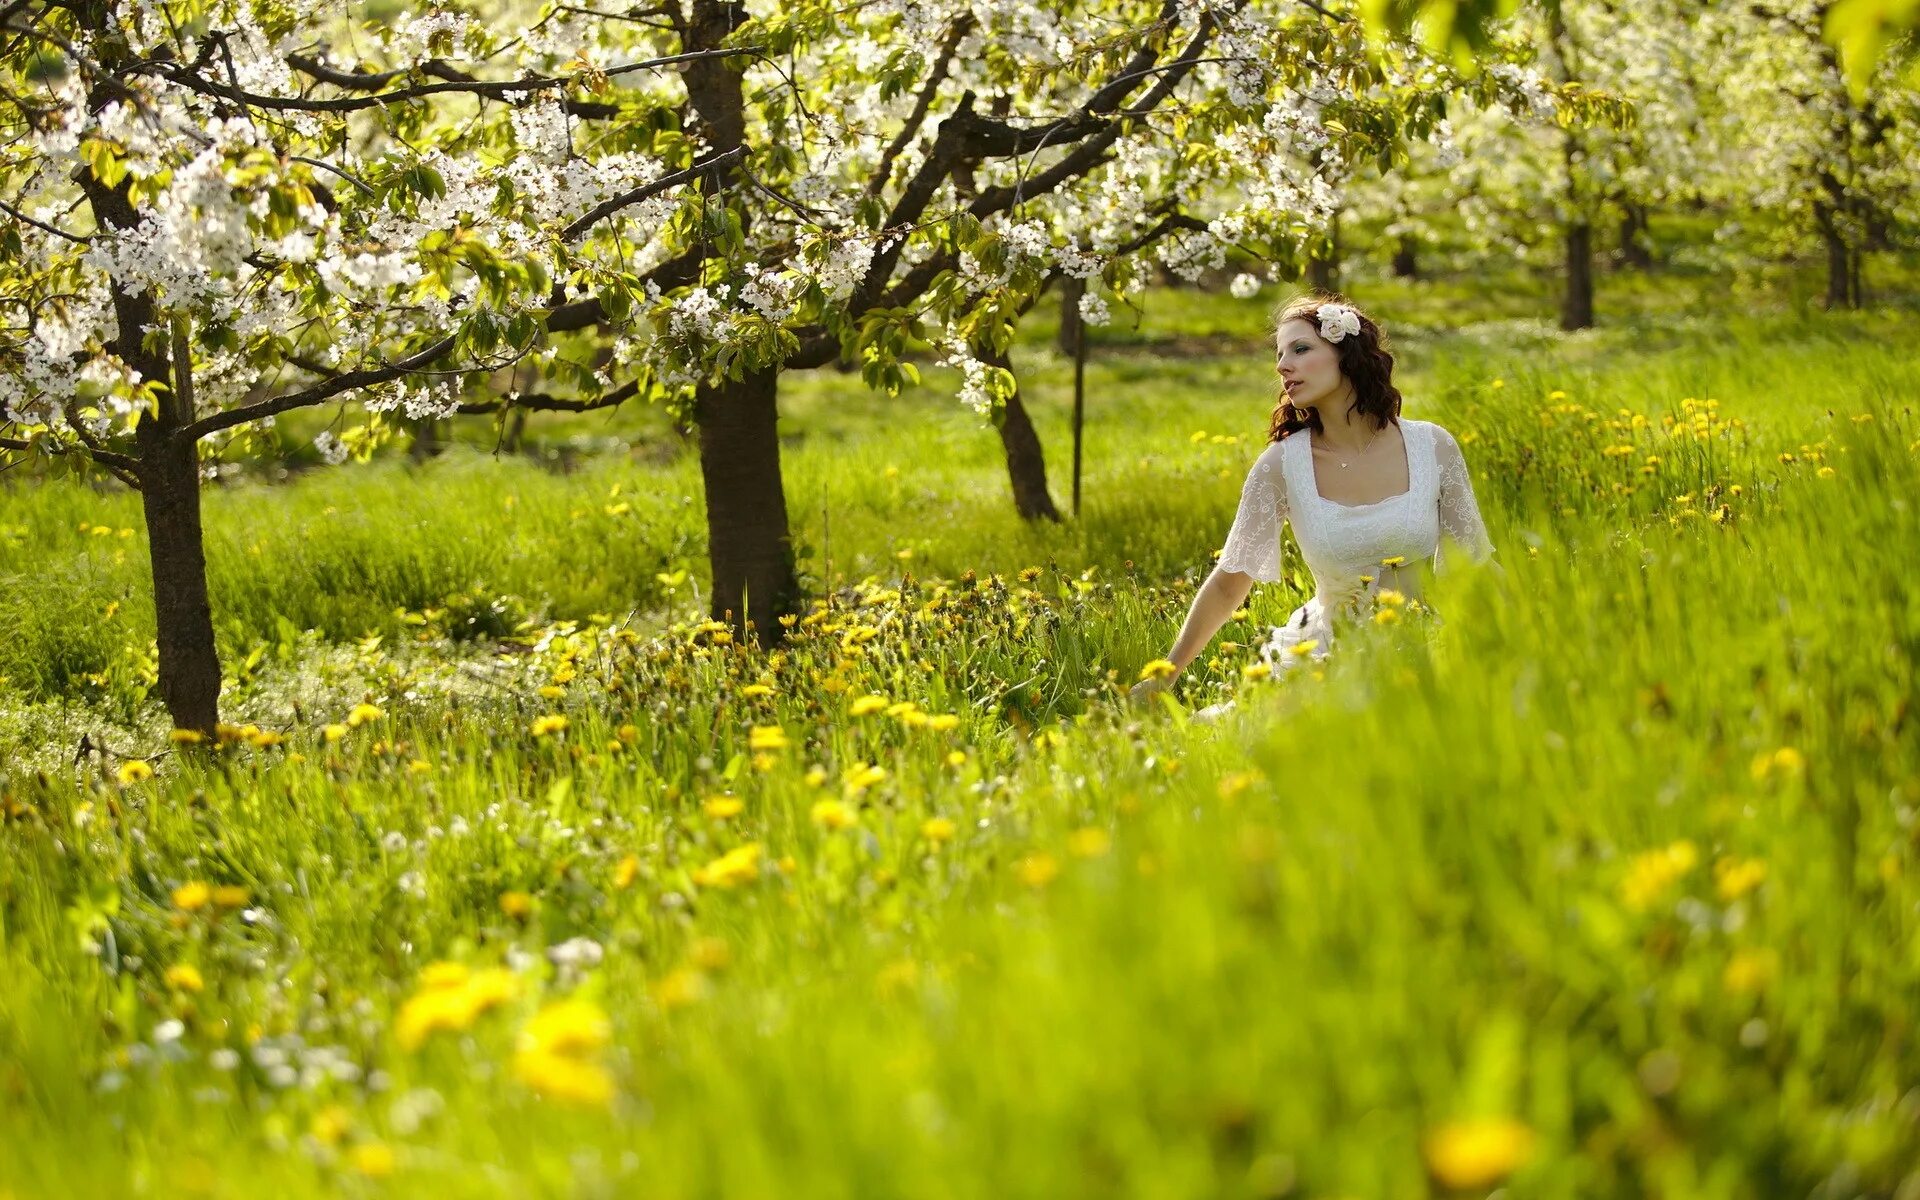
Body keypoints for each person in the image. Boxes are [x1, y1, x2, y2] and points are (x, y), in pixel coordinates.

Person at [1130, 292, 1498, 708]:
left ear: (1347, 354)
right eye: (1280, 355)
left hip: (1427, 646)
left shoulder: (1432, 445)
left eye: (1300, 349)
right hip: (1328, 656)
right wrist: (1165, 675)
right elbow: (1230, 581)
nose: (1282, 365)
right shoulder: (1280, 466)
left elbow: (1475, 564)